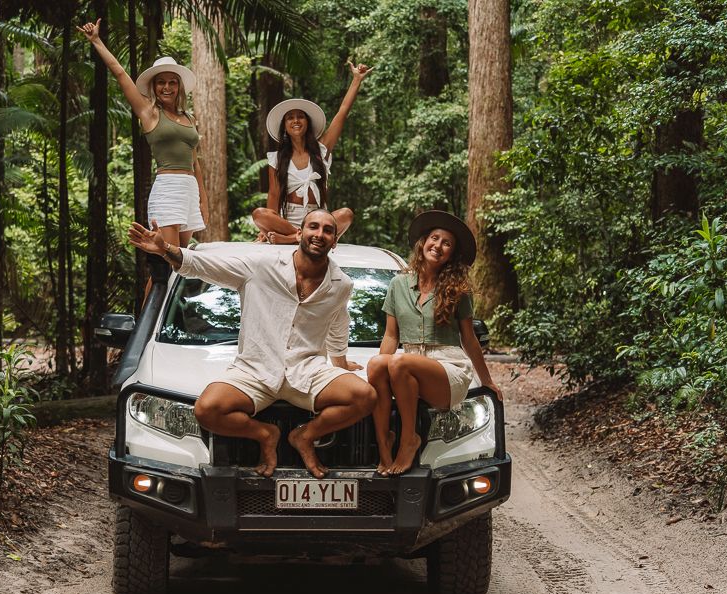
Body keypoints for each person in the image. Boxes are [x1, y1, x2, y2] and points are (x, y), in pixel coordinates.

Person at [127, 208, 377, 479]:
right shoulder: (261, 267)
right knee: (207, 409)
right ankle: (265, 434)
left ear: (334, 240)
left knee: (365, 397)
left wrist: (339, 364)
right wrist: (165, 249)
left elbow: (338, 322)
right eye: (313, 227)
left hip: (307, 369)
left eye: (328, 230)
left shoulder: (341, 284)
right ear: (299, 233)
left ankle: (305, 437)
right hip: (255, 369)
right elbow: (204, 266)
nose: (320, 234)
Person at [368, 210, 503, 476]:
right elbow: (391, 337)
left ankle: (409, 440)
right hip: (406, 365)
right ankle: (385, 447)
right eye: (434, 238)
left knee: (398, 363)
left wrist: (487, 380)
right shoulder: (398, 284)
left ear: (452, 254)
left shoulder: (457, 290)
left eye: (447, 243)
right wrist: (379, 370)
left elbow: (469, 338)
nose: (438, 246)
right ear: (423, 242)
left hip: (447, 366)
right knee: (375, 365)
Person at [78, 19, 208, 287]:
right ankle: (146, 329)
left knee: (184, 268)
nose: (167, 87)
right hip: (169, 189)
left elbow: (195, 164)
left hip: (188, 191)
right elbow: (120, 74)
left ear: (179, 86)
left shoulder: (188, 117)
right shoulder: (149, 112)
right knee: (165, 270)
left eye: (173, 82)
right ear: (154, 86)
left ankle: (170, 326)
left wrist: (202, 202)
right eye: (162, 83)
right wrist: (97, 41)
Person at [252, 62, 373, 244]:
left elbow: (342, 113)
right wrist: (268, 227)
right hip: (288, 221)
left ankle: (293, 239)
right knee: (259, 214)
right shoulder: (277, 158)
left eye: (300, 116)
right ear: (285, 126)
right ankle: (300, 236)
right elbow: (274, 195)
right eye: (290, 117)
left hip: (318, 220)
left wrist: (356, 80)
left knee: (346, 214)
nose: (296, 120)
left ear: (307, 122)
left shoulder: (321, 149)